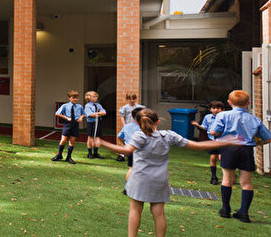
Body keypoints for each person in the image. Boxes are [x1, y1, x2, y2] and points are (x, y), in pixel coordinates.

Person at [97, 108, 237, 237]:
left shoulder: (139, 136)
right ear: (158, 122)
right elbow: (198, 146)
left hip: (139, 179)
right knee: (159, 214)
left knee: (135, 210)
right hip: (160, 180)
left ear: (138, 123)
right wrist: (224, 142)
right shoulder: (168, 136)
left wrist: (104, 143)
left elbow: (127, 151)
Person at [209, 89, 271, 223]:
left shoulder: (223, 116)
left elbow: (214, 132)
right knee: (246, 183)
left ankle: (225, 209)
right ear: (248, 103)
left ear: (229, 102)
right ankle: (244, 213)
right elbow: (268, 138)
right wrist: (257, 143)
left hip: (229, 148)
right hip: (246, 150)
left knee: (227, 179)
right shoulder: (255, 119)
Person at [190, 100, 225, 185]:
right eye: (213, 108)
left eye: (218, 108)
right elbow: (205, 128)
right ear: (210, 109)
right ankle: (214, 177)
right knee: (213, 158)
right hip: (212, 140)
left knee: (222, 158)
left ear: (223, 109)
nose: (216, 110)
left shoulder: (225, 117)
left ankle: (227, 177)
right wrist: (197, 125)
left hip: (223, 140)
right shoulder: (207, 117)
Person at [116, 106, 147, 194]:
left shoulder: (127, 126)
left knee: (131, 168)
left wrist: (125, 144)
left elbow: (120, 136)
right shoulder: (144, 127)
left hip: (130, 149)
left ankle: (127, 188)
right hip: (141, 150)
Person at [52, 89, 86, 163]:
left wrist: (81, 117)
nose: (75, 99)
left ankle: (68, 157)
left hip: (75, 125)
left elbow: (83, 114)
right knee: (63, 140)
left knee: (72, 142)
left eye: (77, 98)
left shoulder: (79, 106)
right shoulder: (65, 106)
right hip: (67, 124)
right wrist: (66, 117)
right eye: (74, 98)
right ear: (69, 98)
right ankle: (59, 155)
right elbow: (57, 113)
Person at [116, 92, 145, 162]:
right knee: (125, 139)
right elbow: (122, 117)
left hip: (138, 126)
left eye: (134, 99)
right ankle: (122, 154)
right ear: (127, 99)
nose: (132, 100)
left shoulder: (140, 107)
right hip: (129, 126)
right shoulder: (125, 108)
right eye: (130, 99)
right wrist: (124, 125)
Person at [84, 90, 107, 158]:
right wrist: (100, 113)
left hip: (98, 122)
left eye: (96, 97)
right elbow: (90, 114)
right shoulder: (88, 106)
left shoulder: (98, 105)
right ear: (89, 98)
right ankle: (90, 153)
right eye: (94, 97)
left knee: (97, 137)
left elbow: (104, 112)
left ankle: (96, 153)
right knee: (90, 137)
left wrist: (97, 114)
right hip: (91, 123)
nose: (96, 98)